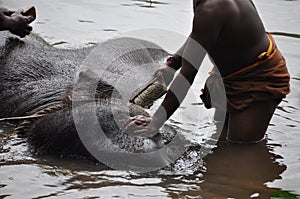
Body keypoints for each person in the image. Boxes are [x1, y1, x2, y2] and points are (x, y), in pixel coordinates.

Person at [125, 0, 290, 143]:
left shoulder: (211, 8)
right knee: (219, 138)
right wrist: (173, 63)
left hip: (257, 80)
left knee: (239, 151)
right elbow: (200, 35)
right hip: (229, 79)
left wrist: (155, 122)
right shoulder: (208, 8)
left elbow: (187, 75)